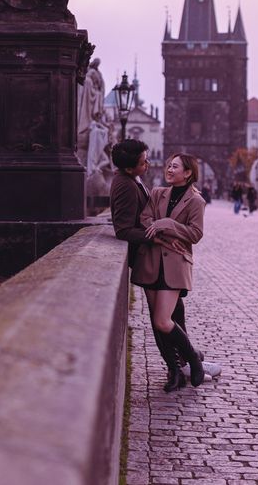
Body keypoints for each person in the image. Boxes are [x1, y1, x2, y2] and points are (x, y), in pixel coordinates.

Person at [110, 141, 190, 385]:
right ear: (130, 166)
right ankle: (182, 364)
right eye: (143, 160)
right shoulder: (124, 185)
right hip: (149, 260)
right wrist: (157, 239)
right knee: (163, 319)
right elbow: (123, 229)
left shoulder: (133, 180)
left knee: (172, 313)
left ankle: (182, 365)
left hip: (158, 260)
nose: (148, 163)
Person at [132, 154, 206, 392]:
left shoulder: (196, 201)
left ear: (188, 173)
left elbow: (195, 234)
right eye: (169, 165)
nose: (169, 169)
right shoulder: (156, 193)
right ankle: (174, 370)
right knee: (157, 323)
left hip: (175, 265)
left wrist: (167, 224)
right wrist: (163, 235)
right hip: (151, 262)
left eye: (175, 166)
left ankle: (193, 359)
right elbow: (144, 219)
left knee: (163, 321)